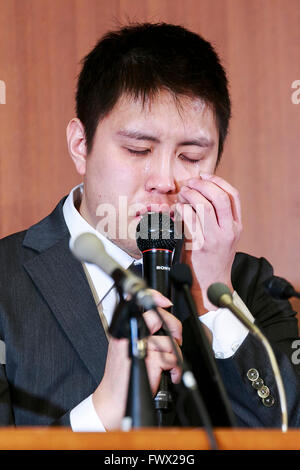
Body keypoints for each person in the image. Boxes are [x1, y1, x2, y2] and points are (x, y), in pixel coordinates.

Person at [0, 22, 299, 430]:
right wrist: (101, 412)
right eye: (138, 149)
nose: (165, 179)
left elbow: (286, 429)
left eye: (191, 156)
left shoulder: (252, 285)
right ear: (80, 145)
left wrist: (216, 298)